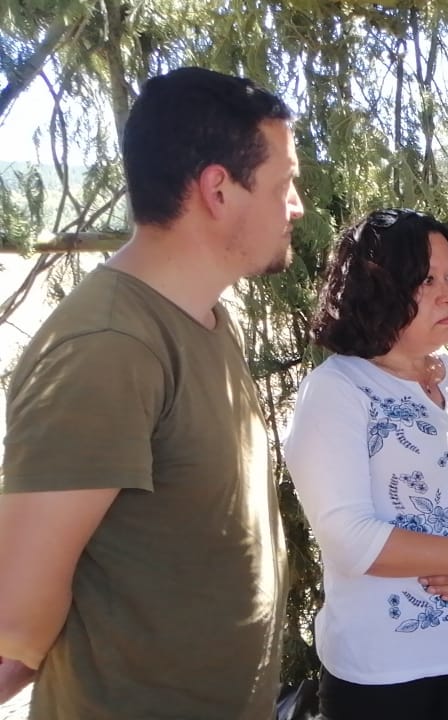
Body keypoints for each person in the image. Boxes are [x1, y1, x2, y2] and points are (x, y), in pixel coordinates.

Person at [0, 67, 304, 718]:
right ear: (218, 189)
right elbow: (17, 616)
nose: (297, 205)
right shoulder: (108, 348)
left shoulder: (210, 319)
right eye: (284, 185)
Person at [283, 208, 448, 719]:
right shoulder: (339, 391)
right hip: (384, 669)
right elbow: (351, 540)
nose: (447, 294)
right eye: (424, 280)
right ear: (375, 288)